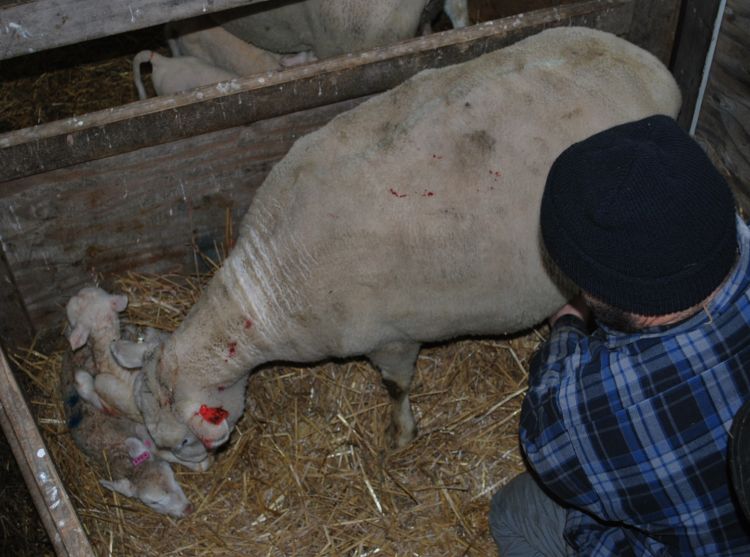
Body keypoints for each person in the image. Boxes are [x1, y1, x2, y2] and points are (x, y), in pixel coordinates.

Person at [489, 114, 750, 556]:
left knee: (515, 512)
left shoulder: (591, 412)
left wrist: (568, 325)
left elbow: (542, 439)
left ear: (601, 291)